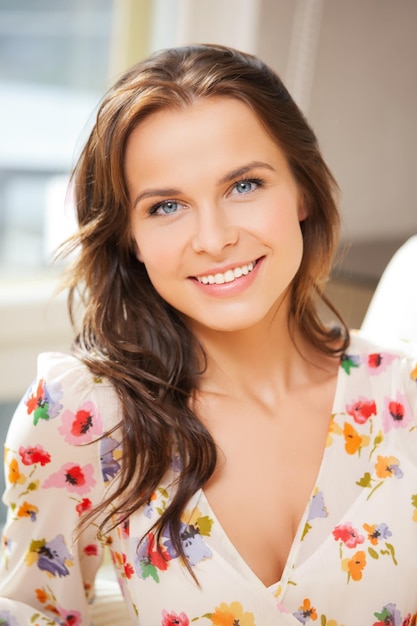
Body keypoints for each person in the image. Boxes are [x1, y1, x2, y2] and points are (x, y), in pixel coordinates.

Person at [0, 44, 416, 626]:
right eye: (167, 205)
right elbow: (30, 613)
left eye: (244, 186)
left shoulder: (406, 394)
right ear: (131, 241)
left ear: (301, 190)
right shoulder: (80, 419)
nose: (214, 238)